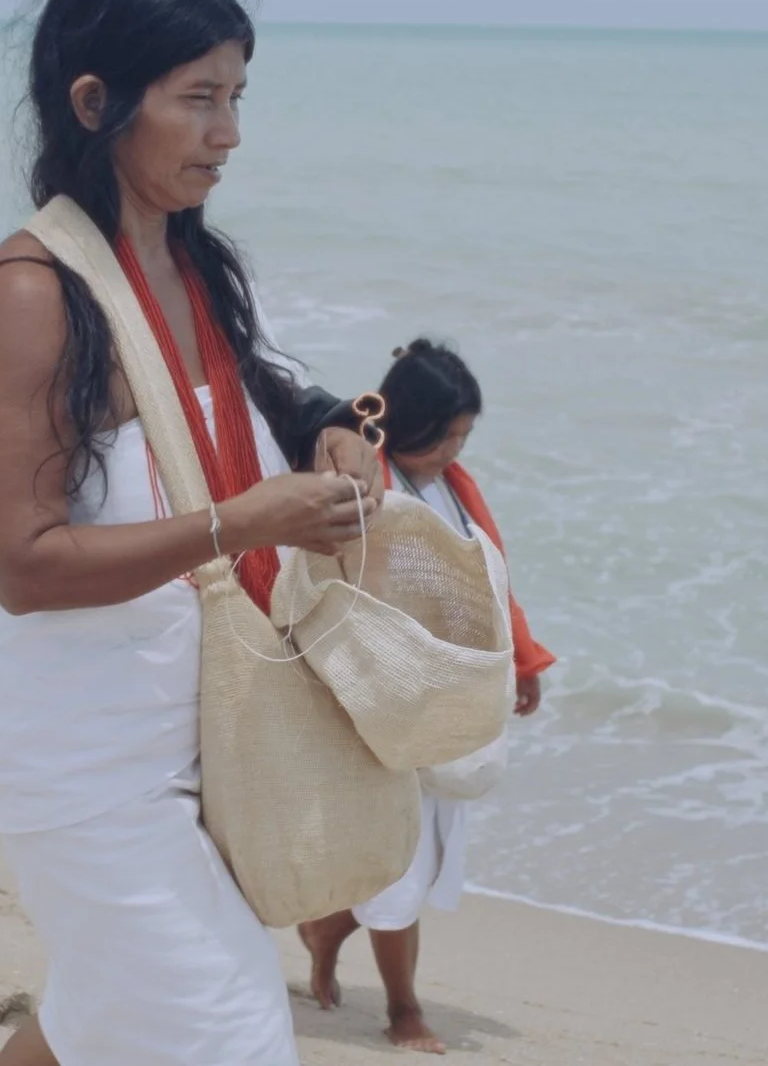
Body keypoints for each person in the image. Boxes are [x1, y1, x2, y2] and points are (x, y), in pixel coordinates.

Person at [0, 0, 387, 1062]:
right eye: (197, 99)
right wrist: (238, 523)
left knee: (95, 1017)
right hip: (87, 758)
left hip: (200, 729)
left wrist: (332, 431)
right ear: (95, 102)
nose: (228, 133)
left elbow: (253, 391)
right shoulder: (29, 294)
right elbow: (25, 564)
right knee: (227, 1035)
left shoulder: (191, 263)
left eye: (236, 96)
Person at [298, 339, 557, 1055]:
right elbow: (322, 578)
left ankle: (327, 927)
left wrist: (523, 662)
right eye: (445, 437)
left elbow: (487, 578)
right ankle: (403, 1012)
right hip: (377, 697)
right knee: (400, 862)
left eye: (462, 438)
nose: (453, 451)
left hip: (443, 694)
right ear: (403, 424)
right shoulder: (359, 477)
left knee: (431, 850)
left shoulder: (455, 487)